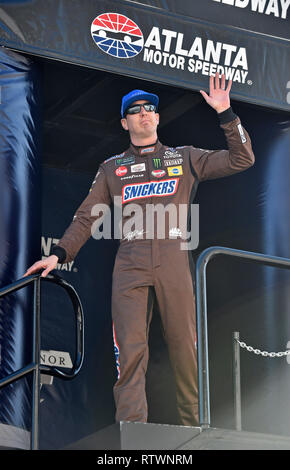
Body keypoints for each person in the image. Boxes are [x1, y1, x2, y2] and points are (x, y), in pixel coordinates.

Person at [24, 73, 255, 426]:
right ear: (124, 122)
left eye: (150, 108)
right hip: (130, 263)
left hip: (174, 258)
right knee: (130, 350)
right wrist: (59, 253)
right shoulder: (112, 168)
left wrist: (226, 114)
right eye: (135, 110)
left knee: (185, 349)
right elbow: (87, 217)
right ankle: (131, 429)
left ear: (158, 118)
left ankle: (193, 428)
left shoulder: (185, 157)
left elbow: (243, 159)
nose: (144, 113)